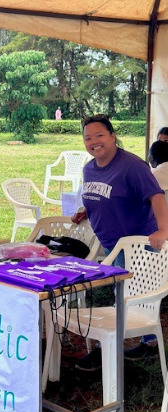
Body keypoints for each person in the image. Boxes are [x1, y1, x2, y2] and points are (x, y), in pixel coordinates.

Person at [71, 114, 168, 369]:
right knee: (128, 293)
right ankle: (148, 343)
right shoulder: (89, 167)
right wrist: (85, 209)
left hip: (135, 243)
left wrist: (163, 230)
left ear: (113, 136)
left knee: (129, 295)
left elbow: (156, 197)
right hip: (110, 243)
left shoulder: (132, 166)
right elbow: (99, 193)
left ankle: (112, 347)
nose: (94, 142)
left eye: (100, 135)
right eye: (88, 138)